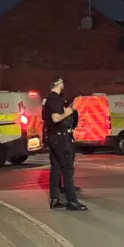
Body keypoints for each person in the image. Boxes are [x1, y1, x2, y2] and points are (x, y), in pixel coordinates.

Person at [44, 77, 88, 211]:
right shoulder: (54, 99)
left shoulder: (51, 99)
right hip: (60, 137)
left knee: (56, 168)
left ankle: (55, 199)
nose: (63, 85)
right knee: (67, 168)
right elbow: (56, 118)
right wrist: (69, 111)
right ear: (58, 84)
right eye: (62, 82)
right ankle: (72, 201)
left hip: (54, 136)